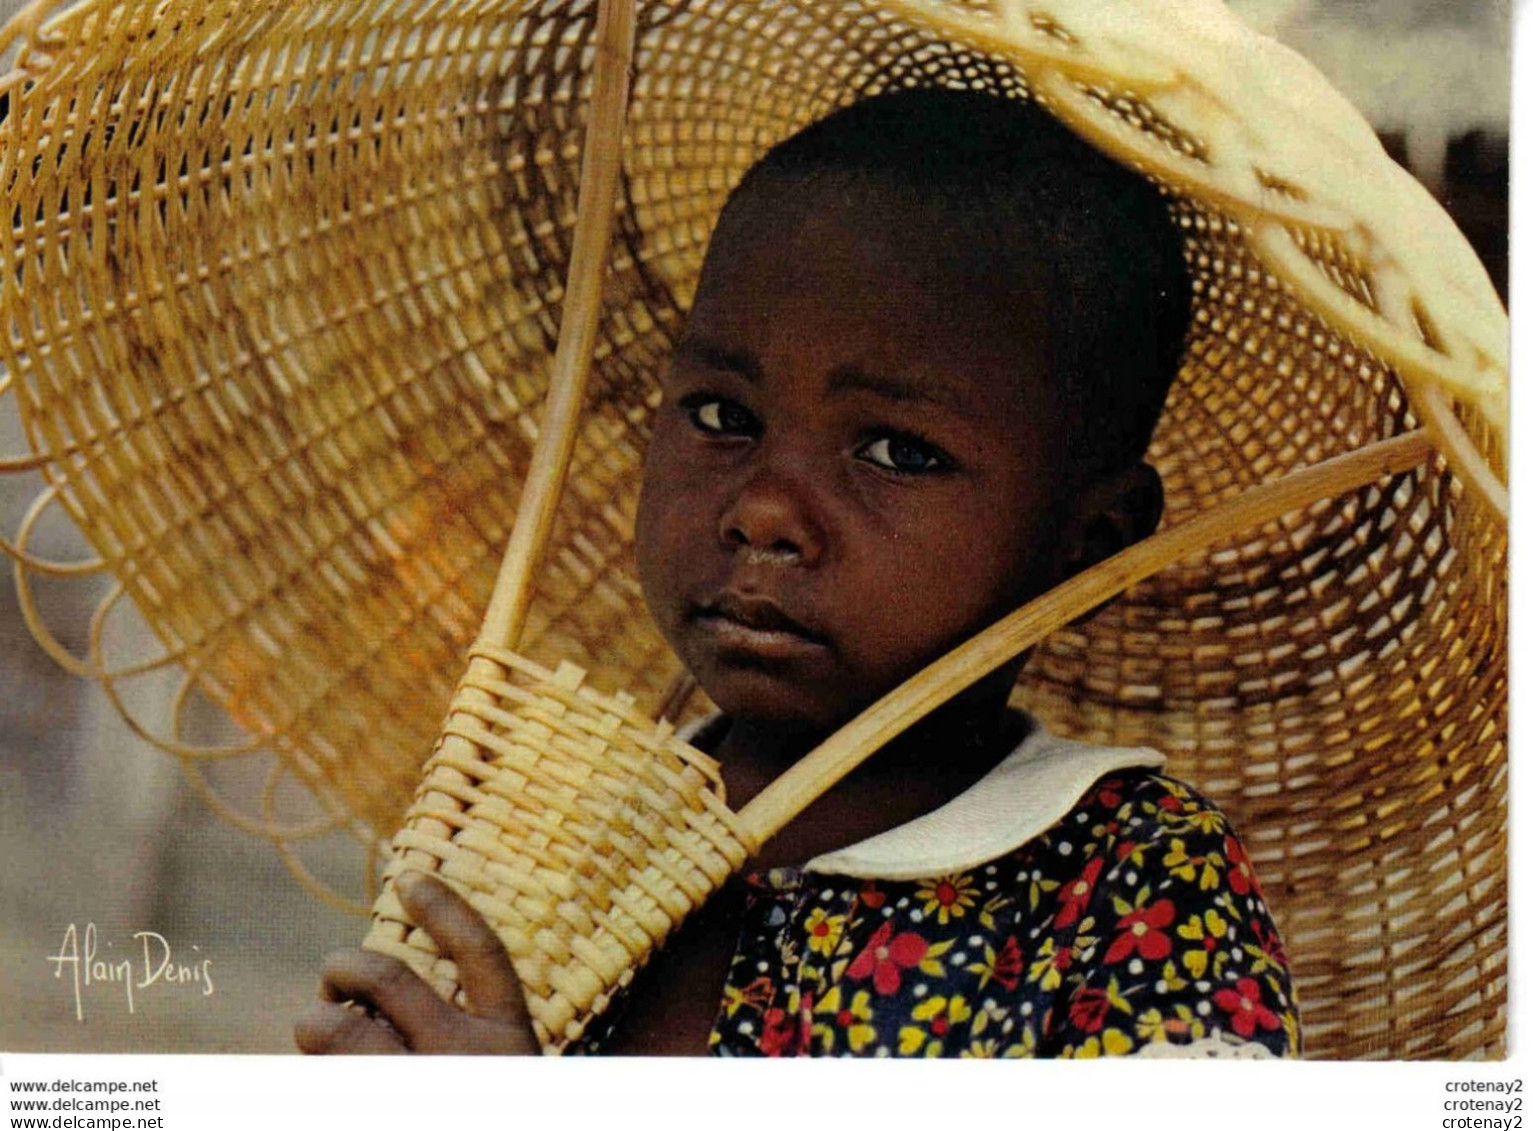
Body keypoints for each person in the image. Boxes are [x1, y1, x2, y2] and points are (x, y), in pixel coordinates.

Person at [295, 87, 1299, 1058]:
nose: (764, 510)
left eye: (897, 452)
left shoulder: (1130, 884)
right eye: (724, 416)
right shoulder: (549, 842)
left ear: (1089, 543)